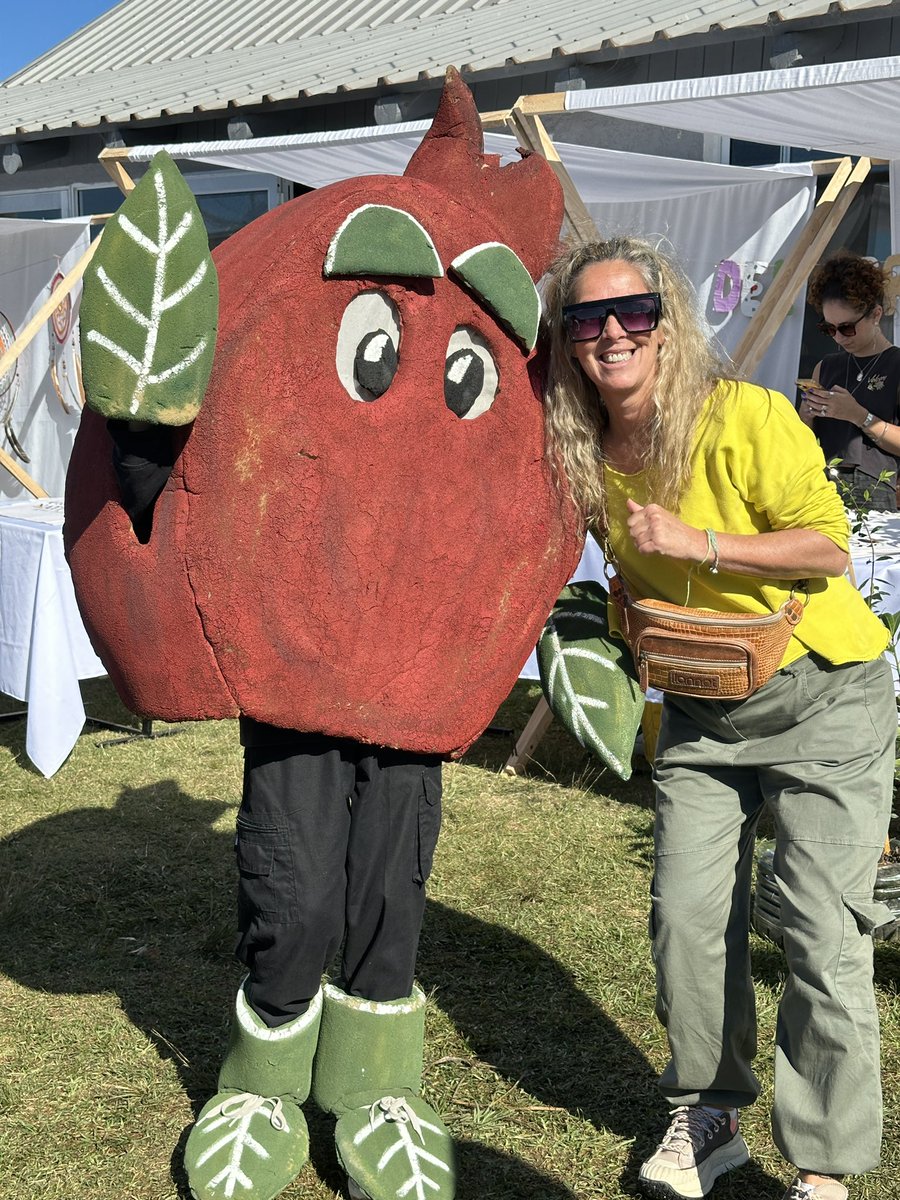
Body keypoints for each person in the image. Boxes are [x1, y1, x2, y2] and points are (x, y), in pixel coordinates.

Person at [542, 235, 896, 1200]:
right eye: (587, 318)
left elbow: (827, 548)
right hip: (704, 710)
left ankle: (823, 1167)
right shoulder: (578, 445)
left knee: (820, 931)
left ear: (667, 324)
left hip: (824, 694)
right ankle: (710, 1115)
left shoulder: (743, 415)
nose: (612, 333)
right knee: (686, 920)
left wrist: (699, 541)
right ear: (567, 339)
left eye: (632, 312)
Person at [800, 252, 900, 512]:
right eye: (829, 328)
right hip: (819, 485)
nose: (838, 337)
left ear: (875, 314)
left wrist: (859, 416)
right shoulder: (825, 367)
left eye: (846, 328)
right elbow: (805, 440)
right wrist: (806, 417)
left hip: (873, 491)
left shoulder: (896, 364)